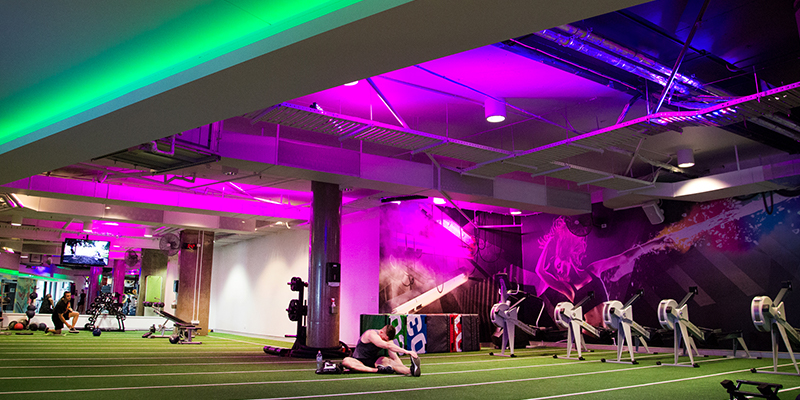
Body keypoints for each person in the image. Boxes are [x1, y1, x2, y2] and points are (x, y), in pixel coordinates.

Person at [341, 325, 421, 376]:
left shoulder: (387, 339)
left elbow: (394, 356)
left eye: (386, 340)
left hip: (374, 361)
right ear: (381, 332)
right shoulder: (371, 334)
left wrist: (402, 367)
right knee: (346, 361)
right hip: (359, 360)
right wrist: (406, 351)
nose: (385, 341)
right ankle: (377, 370)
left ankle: (411, 371)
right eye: (384, 339)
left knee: (388, 361)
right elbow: (387, 345)